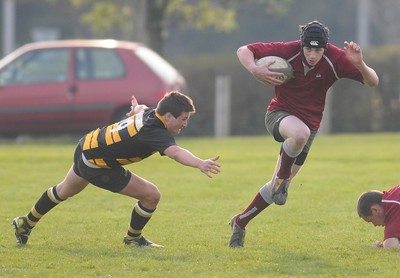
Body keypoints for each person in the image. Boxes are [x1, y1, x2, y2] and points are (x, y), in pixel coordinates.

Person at [229, 20, 379, 248]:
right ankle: (283, 178)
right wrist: (254, 68)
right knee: (299, 134)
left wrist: (360, 64)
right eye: (308, 49)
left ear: (325, 48)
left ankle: (240, 222)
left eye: (317, 50)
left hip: (310, 126)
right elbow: (244, 50)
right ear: (301, 45)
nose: (312, 55)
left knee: (276, 186)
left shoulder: (335, 59)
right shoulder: (288, 50)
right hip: (279, 114)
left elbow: (373, 82)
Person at [12, 91, 221, 248]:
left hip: (87, 146)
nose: (185, 124)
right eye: (183, 119)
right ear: (167, 115)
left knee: (64, 190)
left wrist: (136, 108)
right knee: (151, 195)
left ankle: (25, 224)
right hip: (97, 164)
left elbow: (141, 109)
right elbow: (176, 152)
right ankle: (132, 239)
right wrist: (199, 163)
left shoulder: (150, 114)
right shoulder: (155, 131)